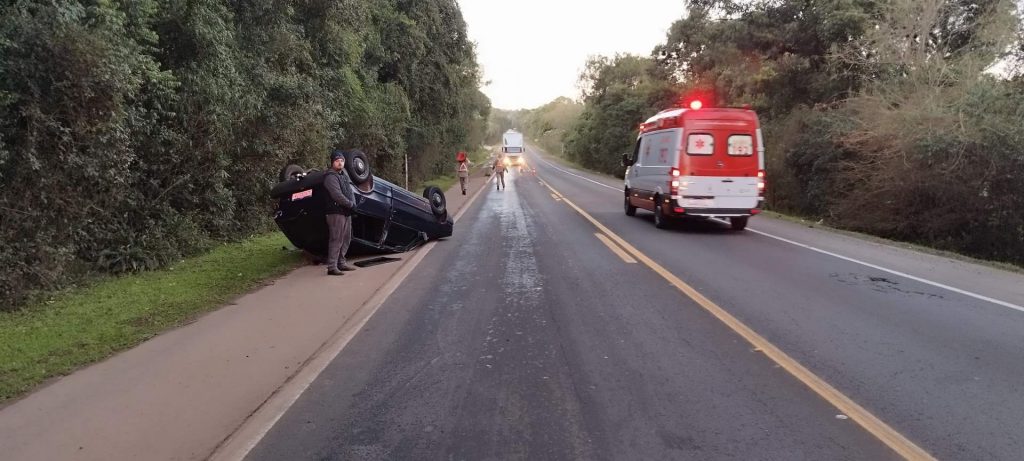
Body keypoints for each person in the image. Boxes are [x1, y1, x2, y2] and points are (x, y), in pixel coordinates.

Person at [324, 150, 357, 276]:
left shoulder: (344, 175)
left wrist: (353, 204)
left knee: (346, 238)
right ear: (332, 162)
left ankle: (341, 263)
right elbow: (337, 195)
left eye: (342, 160)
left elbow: (350, 190)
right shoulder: (330, 177)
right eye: (337, 161)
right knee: (336, 239)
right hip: (335, 212)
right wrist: (350, 204)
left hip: (345, 212)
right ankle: (332, 267)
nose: (340, 163)